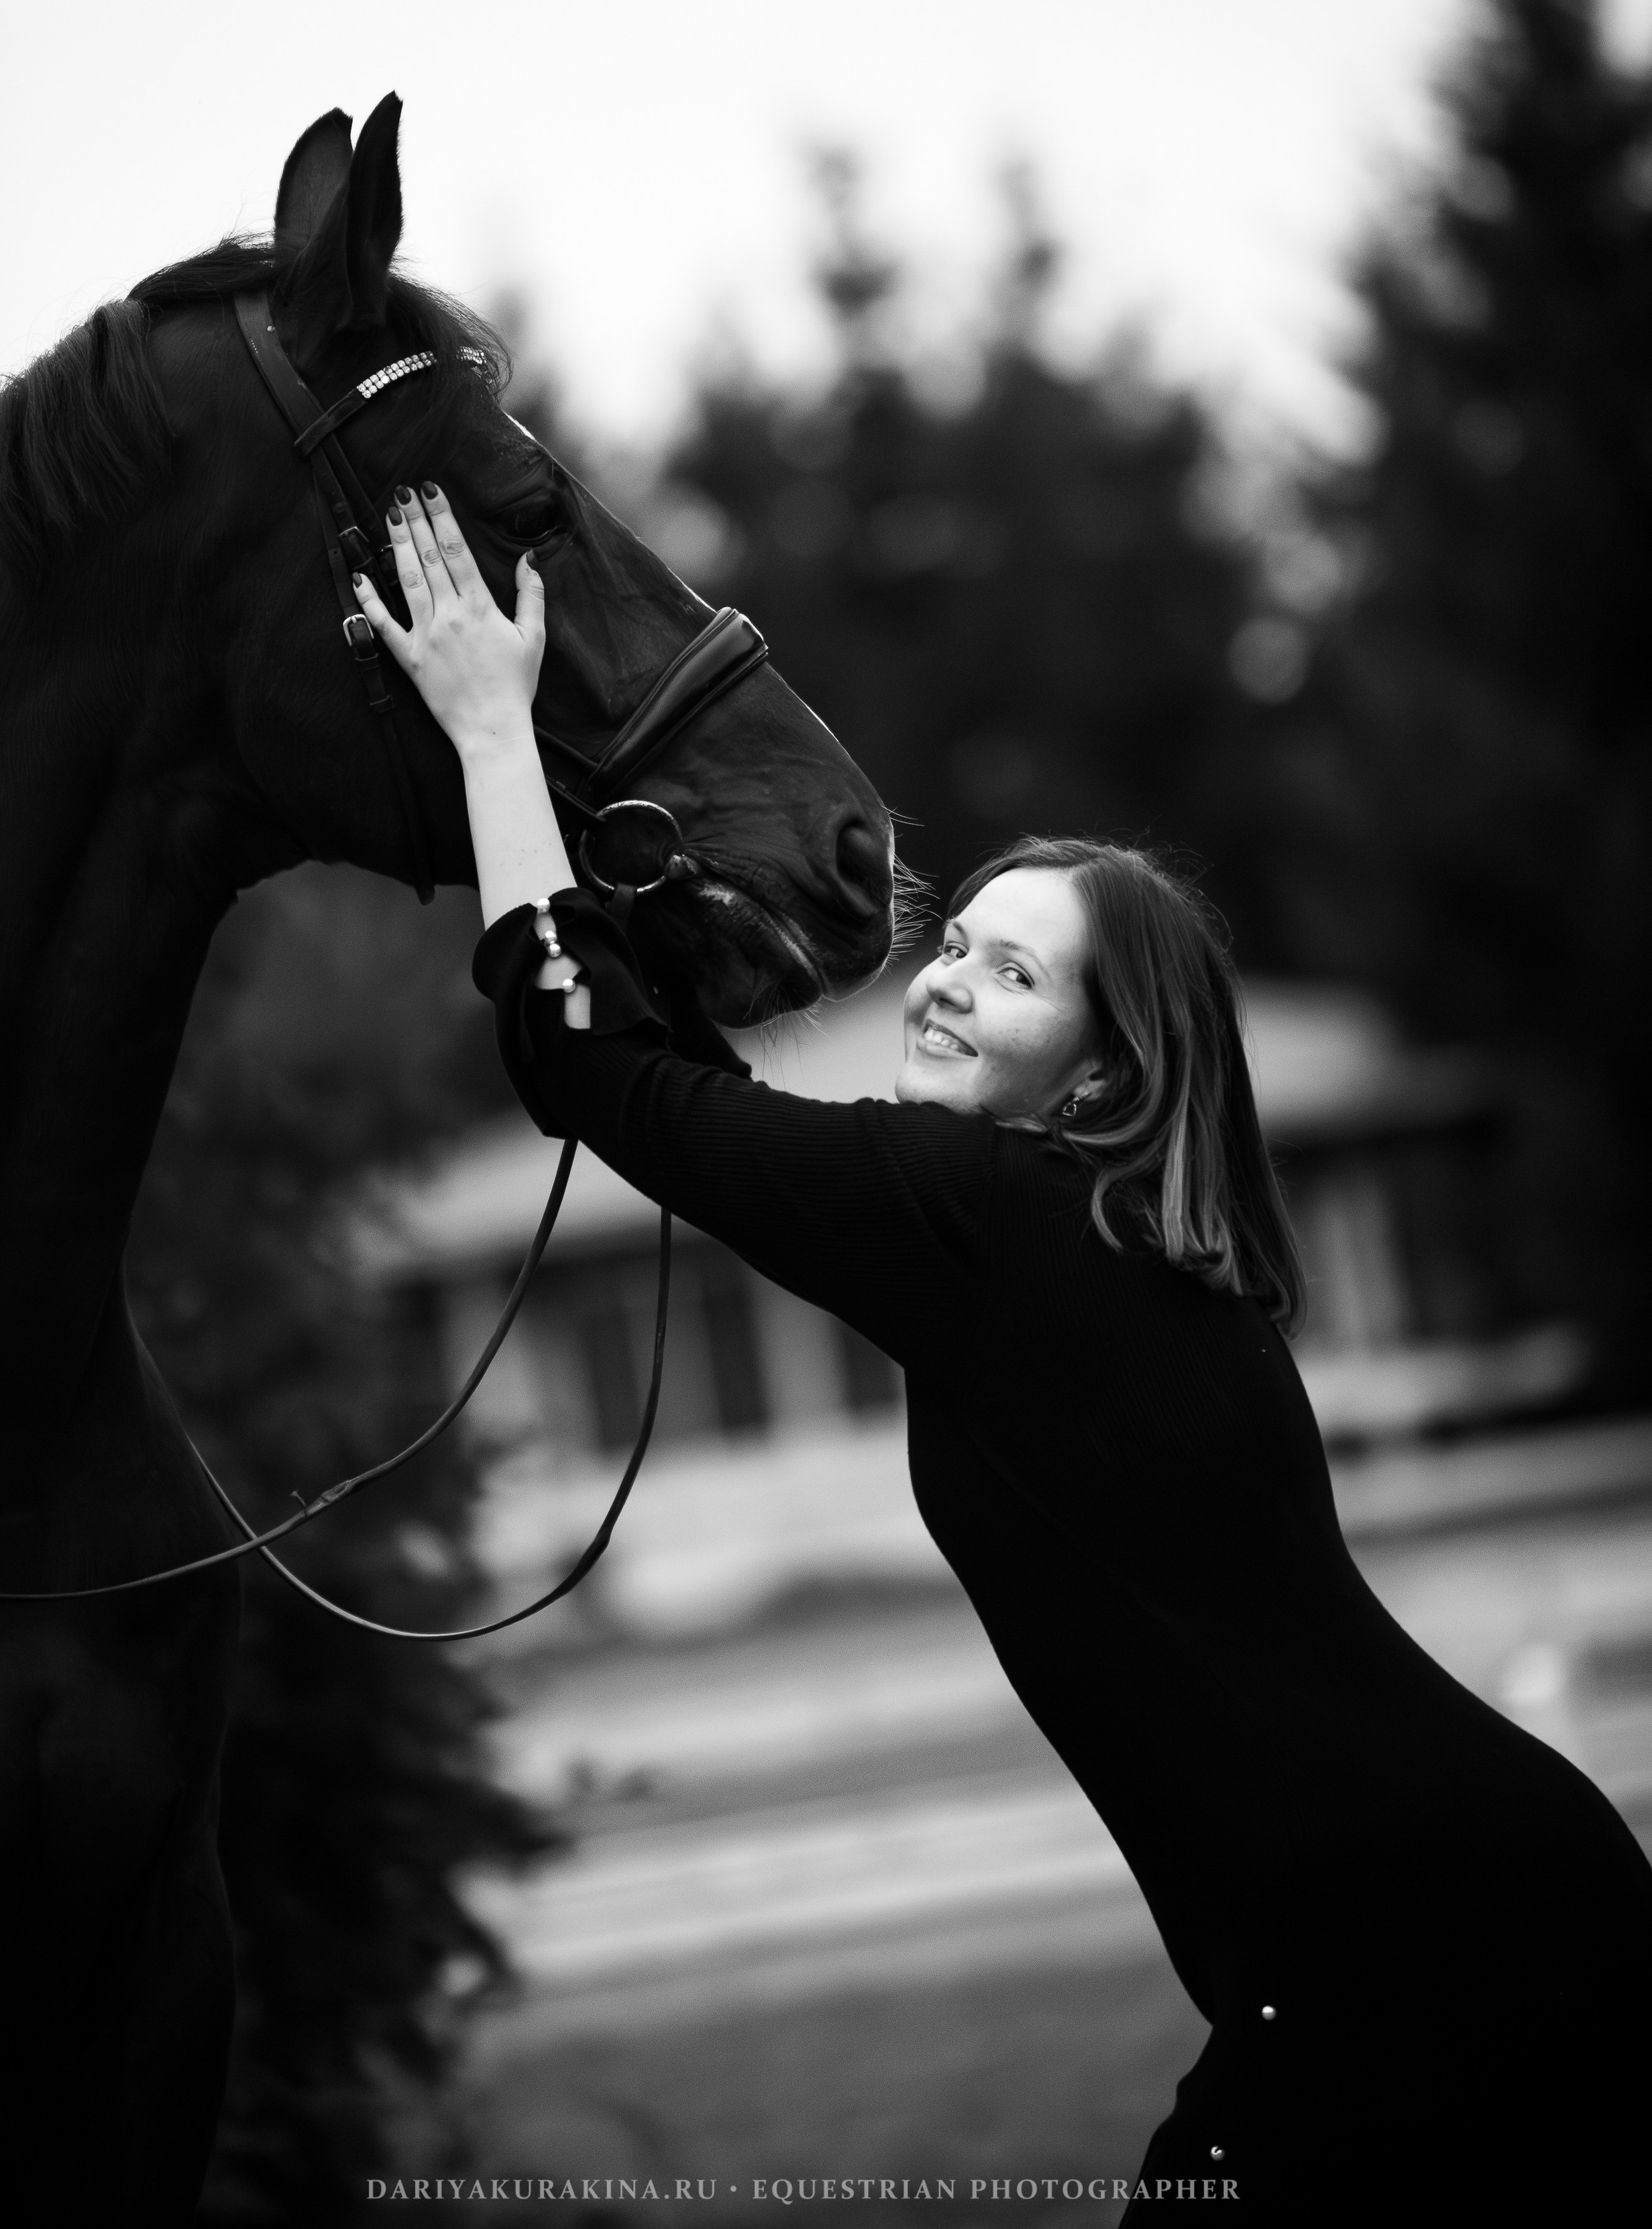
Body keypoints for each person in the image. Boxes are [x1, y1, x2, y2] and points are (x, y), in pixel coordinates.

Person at [355, 483, 1652, 2223]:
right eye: (956, 943)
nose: (947, 980)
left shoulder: (988, 1214)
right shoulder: (1118, 1245)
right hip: (1487, 1902)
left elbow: (597, 1073)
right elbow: (696, 1112)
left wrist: (493, 739)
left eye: (1016, 976)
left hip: (1405, 1952)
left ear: (1103, 1069)